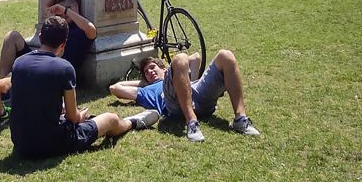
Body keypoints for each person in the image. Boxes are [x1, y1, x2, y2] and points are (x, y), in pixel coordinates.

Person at [10, 16, 157, 159]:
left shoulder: (19, 63)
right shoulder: (64, 68)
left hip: (21, 143)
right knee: (110, 118)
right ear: (63, 44)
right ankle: (132, 122)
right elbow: (73, 118)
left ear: (40, 37)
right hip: (51, 144)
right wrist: (81, 115)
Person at [109, 51, 260, 143]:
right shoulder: (146, 90)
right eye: (146, 72)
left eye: (152, 67)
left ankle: (240, 119)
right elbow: (115, 88)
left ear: (163, 67)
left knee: (226, 56)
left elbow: (195, 57)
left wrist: (185, 73)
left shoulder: (177, 69)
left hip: (197, 94)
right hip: (174, 105)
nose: (149, 72)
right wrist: (144, 82)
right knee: (180, 57)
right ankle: (192, 122)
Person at [0, 0, 96, 78]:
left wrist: (66, 11)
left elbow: (91, 30)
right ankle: (1, 82)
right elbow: (45, 7)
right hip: (40, 60)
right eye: (62, 10)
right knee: (12, 36)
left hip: (57, 70)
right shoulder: (58, 23)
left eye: (68, 7)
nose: (63, 14)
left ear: (76, 6)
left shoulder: (81, 29)